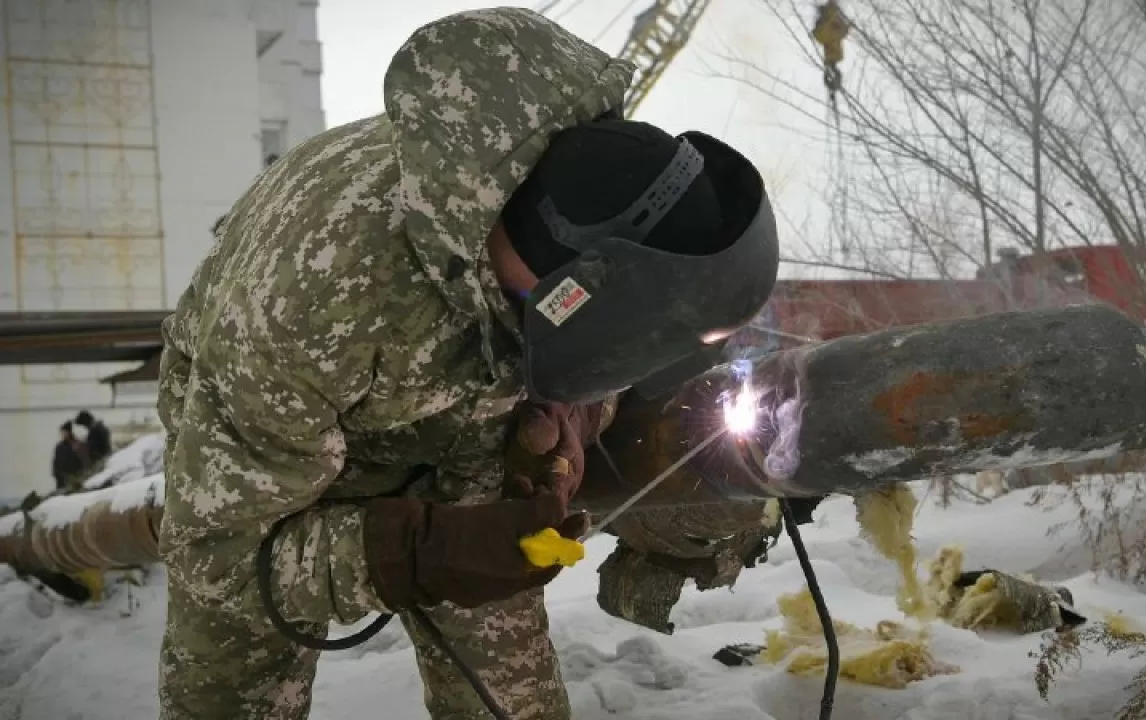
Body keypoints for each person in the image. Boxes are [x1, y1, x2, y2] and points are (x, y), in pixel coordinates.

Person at [155, 8, 779, 720]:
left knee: (511, 698)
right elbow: (218, 557)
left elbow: (589, 353)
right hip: (266, 459)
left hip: (445, 401)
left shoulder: (564, 219)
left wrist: (567, 415)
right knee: (232, 686)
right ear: (574, 295)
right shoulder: (312, 303)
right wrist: (416, 551)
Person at [51, 421, 86, 492]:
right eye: (61, 432)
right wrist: (56, 474)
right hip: (61, 478)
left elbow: (81, 461)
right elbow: (55, 462)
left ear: (69, 432)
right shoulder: (59, 447)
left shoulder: (76, 445)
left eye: (64, 432)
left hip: (74, 477)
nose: (62, 434)